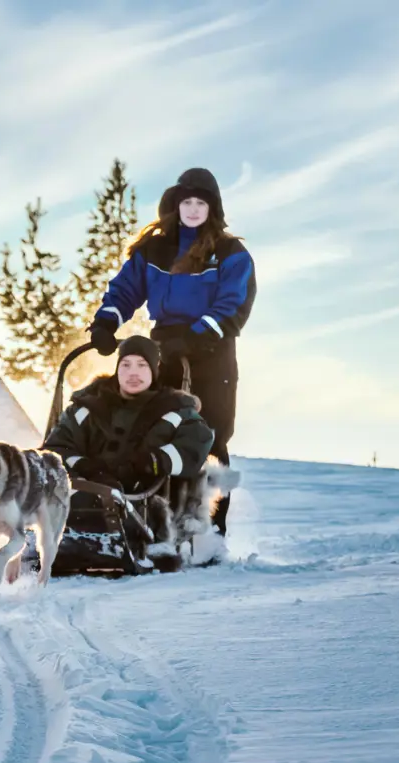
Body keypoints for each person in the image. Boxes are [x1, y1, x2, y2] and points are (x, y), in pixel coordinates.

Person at [85, 167, 255, 535]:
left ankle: (210, 531)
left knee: (209, 433)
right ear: (174, 205)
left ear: (213, 208)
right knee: (150, 429)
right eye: (186, 202)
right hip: (163, 348)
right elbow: (125, 289)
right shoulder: (154, 249)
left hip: (213, 351)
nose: (193, 209)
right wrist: (105, 324)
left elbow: (233, 304)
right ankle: (148, 522)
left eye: (200, 202)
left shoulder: (229, 252)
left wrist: (195, 337)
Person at [44, 335, 214, 535]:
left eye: (142, 365)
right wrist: (88, 469)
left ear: (154, 369)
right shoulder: (86, 407)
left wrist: (150, 462)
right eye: (126, 365)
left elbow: (196, 442)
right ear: (117, 369)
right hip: (81, 491)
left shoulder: (175, 409)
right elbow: (56, 447)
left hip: (144, 502)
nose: (133, 373)